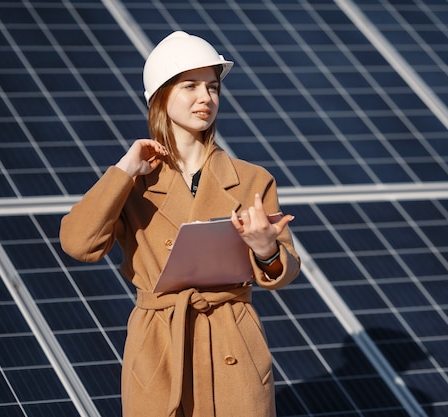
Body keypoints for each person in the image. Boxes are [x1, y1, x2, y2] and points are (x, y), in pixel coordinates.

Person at [60, 31, 300, 417]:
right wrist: (123, 171)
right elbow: (78, 243)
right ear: (161, 97)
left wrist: (266, 249)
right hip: (160, 344)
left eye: (213, 87)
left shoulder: (253, 179)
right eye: (190, 86)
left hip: (232, 343)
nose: (206, 98)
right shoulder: (132, 183)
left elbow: (282, 270)